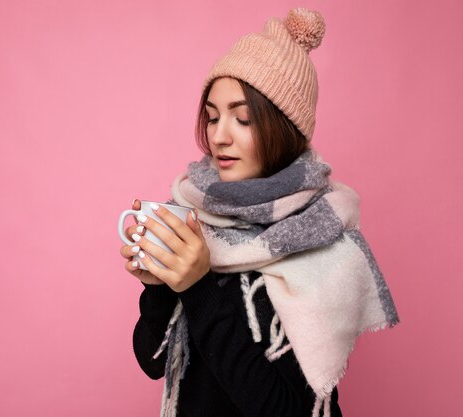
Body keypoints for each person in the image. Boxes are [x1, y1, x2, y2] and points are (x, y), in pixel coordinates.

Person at [119, 8, 399, 417]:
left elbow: (288, 410)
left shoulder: (322, 237)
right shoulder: (195, 218)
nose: (218, 136)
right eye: (212, 117)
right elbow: (154, 362)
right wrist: (159, 287)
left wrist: (197, 287)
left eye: (242, 119)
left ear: (284, 127)